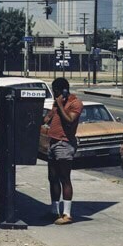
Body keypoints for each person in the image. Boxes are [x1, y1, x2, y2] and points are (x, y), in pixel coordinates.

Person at [43, 77, 82, 225]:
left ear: (64, 91)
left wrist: (59, 104)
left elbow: (70, 120)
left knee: (64, 178)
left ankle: (67, 214)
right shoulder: (56, 103)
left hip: (64, 144)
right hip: (53, 142)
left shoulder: (75, 103)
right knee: (52, 177)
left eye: (56, 91)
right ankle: (54, 210)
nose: (54, 94)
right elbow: (48, 118)